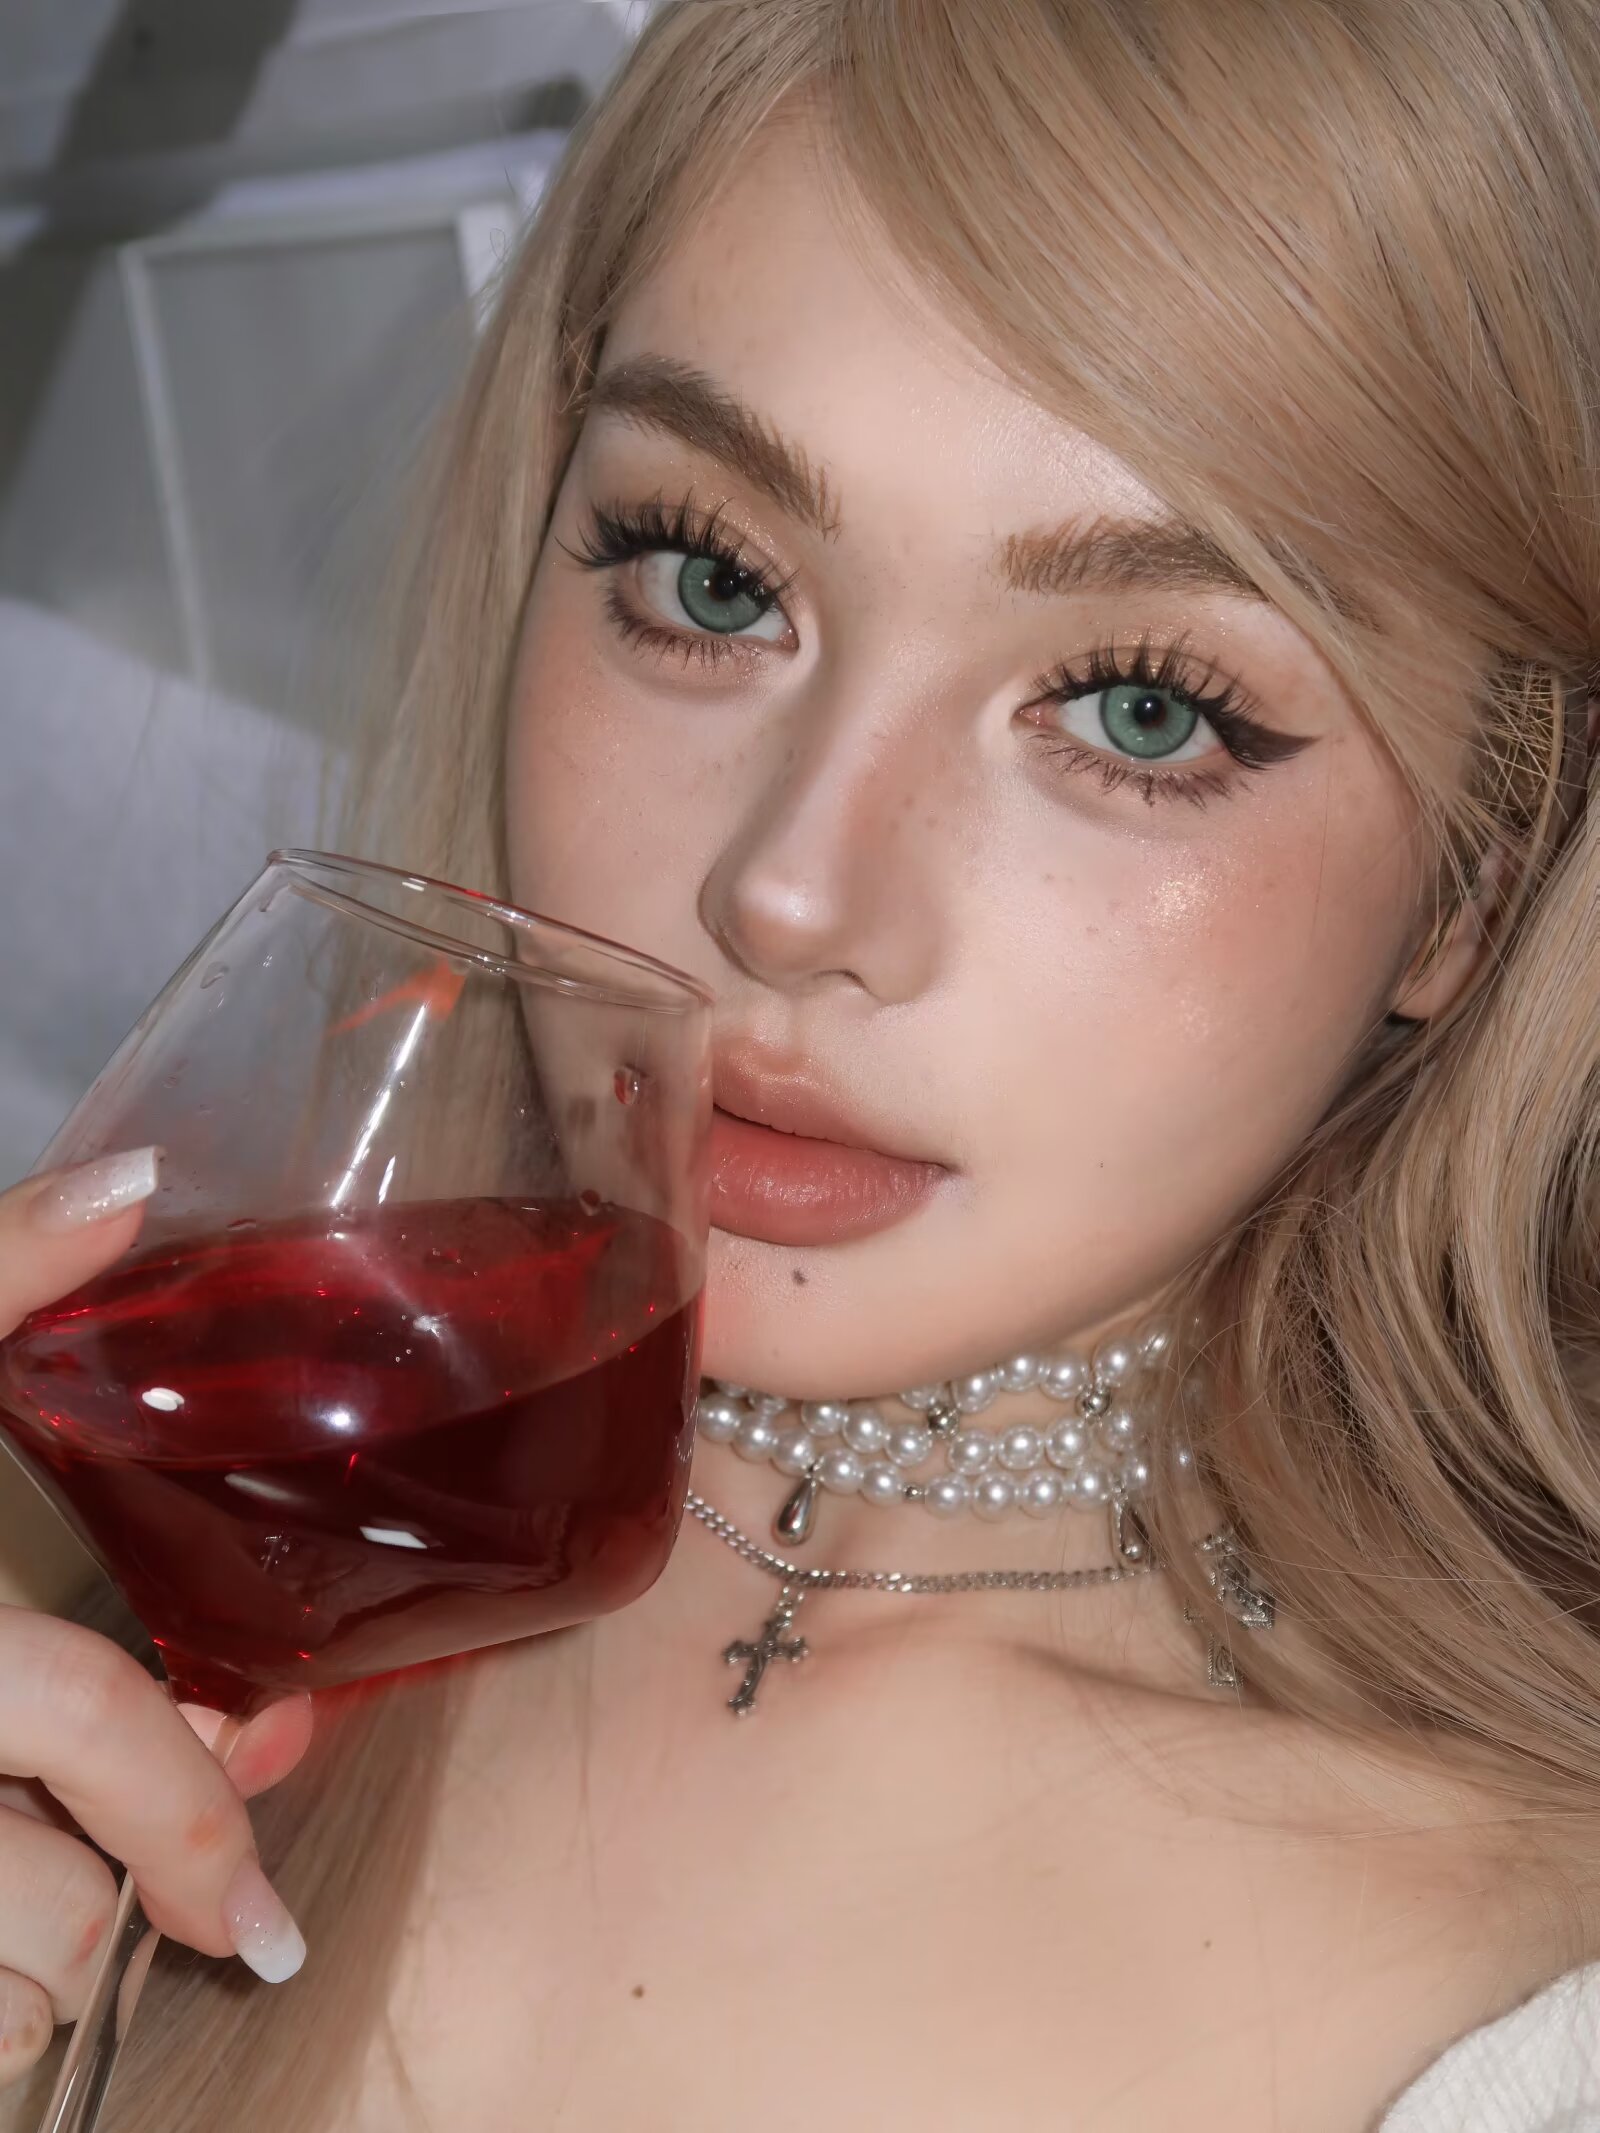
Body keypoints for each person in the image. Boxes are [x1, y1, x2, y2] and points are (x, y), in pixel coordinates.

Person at [0, 1, 1597, 2126]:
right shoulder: (149, 1545)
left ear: (1475, 883)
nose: (787, 888)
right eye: (711, 577)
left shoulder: (1515, 1996)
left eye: (1139, 709)